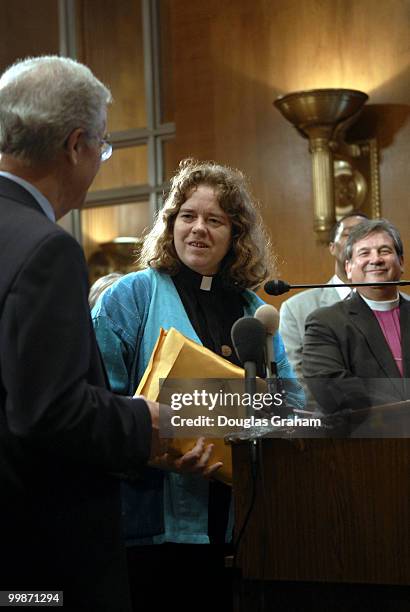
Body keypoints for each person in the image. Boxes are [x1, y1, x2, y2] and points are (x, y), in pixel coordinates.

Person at [92, 158, 303, 610]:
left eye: (215, 220)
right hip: (147, 526)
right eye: (187, 216)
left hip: (239, 524)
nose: (198, 229)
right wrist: (152, 446)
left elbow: (290, 401)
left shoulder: (253, 310)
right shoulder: (130, 297)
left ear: (236, 235)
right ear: (170, 224)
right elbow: (94, 403)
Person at [0, 55, 170, 612]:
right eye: (102, 145)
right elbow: (50, 411)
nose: (99, 159)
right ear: (75, 145)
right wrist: (144, 421)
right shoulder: (46, 247)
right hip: (37, 563)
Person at [302, 219, 410, 415]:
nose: (376, 259)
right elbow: (330, 387)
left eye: (384, 251)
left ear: (401, 262)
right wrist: (402, 410)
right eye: (364, 253)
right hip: (361, 437)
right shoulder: (325, 322)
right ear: (349, 268)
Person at [279, 212, 368, 378]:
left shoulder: (399, 306)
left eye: (364, 234)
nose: (357, 240)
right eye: (349, 234)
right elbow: (295, 376)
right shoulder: (295, 308)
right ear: (332, 247)